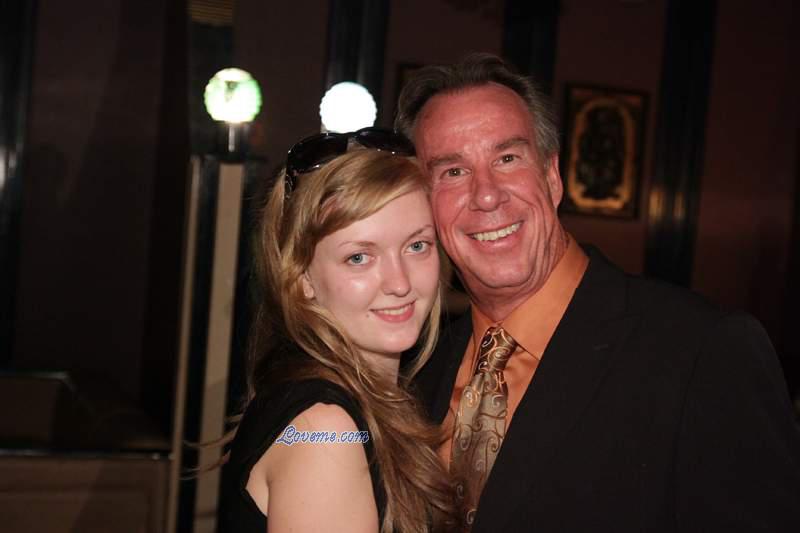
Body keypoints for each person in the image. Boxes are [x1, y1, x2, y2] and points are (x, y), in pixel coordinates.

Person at [395, 53, 800, 532]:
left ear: (552, 177)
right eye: (452, 172)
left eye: (507, 158)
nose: (486, 194)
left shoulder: (704, 352)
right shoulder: (414, 368)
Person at [219, 130, 459, 533]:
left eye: (417, 246)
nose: (399, 282)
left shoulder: (350, 400)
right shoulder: (325, 431)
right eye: (359, 257)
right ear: (302, 279)